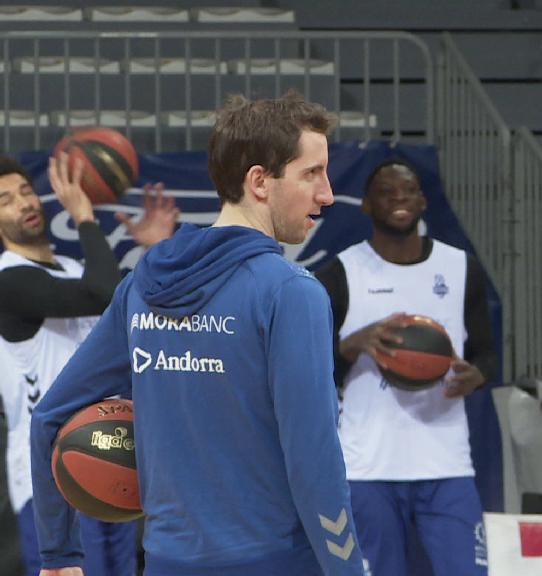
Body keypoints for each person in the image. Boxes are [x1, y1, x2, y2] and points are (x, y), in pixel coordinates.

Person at [29, 92, 366, 576]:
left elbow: (49, 417)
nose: (327, 193)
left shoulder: (142, 286)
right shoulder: (291, 293)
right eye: (311, 173)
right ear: (259, 182)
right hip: (274, 562)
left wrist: (59, 556)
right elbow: (313, 461)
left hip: (166, 562)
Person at [315, 157, 497, 576]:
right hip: (367, 468)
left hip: (446, 464)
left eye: (408, 191)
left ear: (423, 201)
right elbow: (312, 375)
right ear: (365, 205)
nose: (399, 198)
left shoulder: (461, 268)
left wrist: (478, 374)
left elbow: (487, 354)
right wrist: (352, 345)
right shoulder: (339, 274)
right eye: (386, 191)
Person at [0, 153, 178, 576]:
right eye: (5, 200)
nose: (24, 203)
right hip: (55, 474)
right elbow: (104, 293)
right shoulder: (8, 278)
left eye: (26, 191)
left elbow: (145, 319)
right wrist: (84, 216)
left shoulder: (77, 270)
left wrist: (155, 250)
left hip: (110, 453)